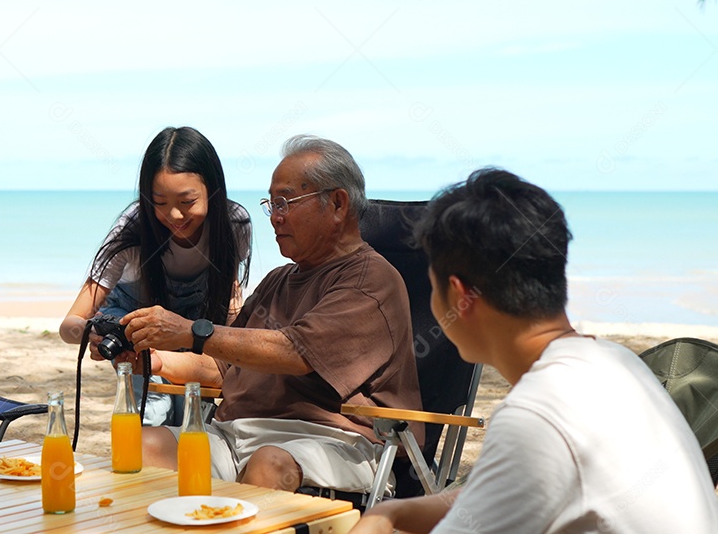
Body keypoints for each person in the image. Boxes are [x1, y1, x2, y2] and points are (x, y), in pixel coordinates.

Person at [352, 168, 718, 533]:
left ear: (461, 298)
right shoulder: (617, 365)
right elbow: (488, 493)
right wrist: (392, 513)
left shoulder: (537, 413)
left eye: (433, 289)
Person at [117, 134, 423, 493]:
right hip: (233, 435)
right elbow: (222, 367)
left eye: (285, 203)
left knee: (267, 463)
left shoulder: (370, 279)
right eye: (271, 204)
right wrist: (154, 360)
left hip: (331, 443)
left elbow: (295, 352)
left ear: (338, 204)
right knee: (143, 445)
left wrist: (192, 331)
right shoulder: (278, 280)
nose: (275, 218)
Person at [59, 126, 252, 426]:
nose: (174, 216)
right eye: (159, 203)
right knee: (154, 409)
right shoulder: (133, 229)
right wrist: (92, 336)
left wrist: (231, 348)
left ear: (213, 190)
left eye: (187, 202)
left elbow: (229, 298)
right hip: (137, 326)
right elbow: (70, 324)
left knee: (196, 414)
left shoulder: (234, 224)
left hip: (195, 325)